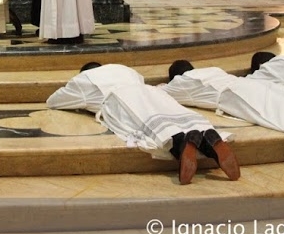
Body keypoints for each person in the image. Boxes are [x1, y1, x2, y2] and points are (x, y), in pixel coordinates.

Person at [47, 63, 239, 184]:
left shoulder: (85, 80)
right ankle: (209, 138)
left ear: (85, 72)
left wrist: (76, 86)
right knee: (176, 114)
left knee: (147, 124)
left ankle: (181, 144)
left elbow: (54, 101)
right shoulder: (124, 69)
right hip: (150, 91)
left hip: (121, 98)